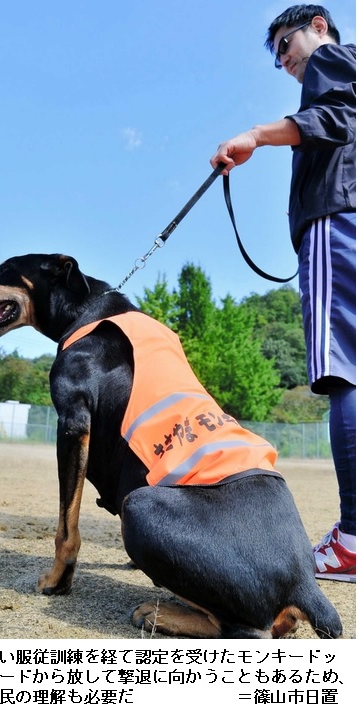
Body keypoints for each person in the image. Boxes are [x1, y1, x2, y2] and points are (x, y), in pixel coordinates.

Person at [210, 4, 356, 582]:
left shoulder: (332, 59)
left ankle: (352, 540)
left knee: (343, 372)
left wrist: (254, 135)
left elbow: (335, 118)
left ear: (317, 25)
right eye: (276, 57)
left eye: (284, 45)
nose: (283, 60)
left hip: (336, 223)